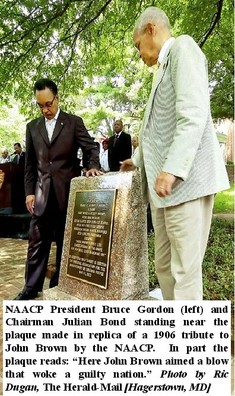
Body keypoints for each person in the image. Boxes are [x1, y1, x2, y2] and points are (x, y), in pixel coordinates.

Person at [120, 7, 229, 300]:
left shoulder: (184, 48)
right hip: (164, 193)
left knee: (184, 272)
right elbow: (157, 131)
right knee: (165, 267)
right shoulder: (161, 70)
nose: (139, 53)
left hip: (186, 184)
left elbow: (192, 114)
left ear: (151, 29)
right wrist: (137, 160)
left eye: (137, 45)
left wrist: (172, 169)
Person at [14, 78, 101, 300]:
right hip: (41, 196)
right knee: (36, 244)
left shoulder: (73, 122)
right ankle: (31, 288)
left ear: (57, 98)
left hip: (67, 195)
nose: (46, 109)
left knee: (65, 243)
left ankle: (58, 285)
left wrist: (92, 167)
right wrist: (29, 192)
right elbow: (30, 165)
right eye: (40, 105)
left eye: (49, 103)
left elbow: (91, 148)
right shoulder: (32, 127)